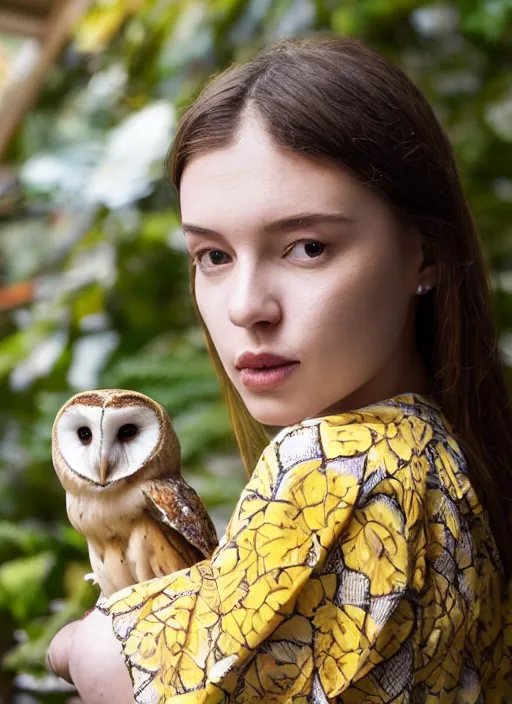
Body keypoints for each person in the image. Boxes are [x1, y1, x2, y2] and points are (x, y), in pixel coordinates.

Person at [46, 34, 512, 703]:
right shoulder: (449, 460)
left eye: (307, 247)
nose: (246, 308)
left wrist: (84, 645)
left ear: (426, 253)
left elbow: (146, 682)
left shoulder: (335, 463)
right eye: (212, 255)